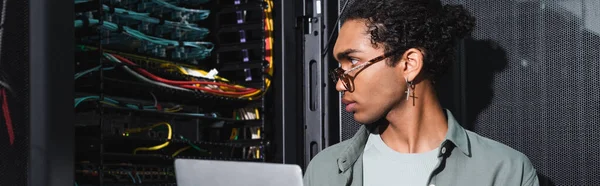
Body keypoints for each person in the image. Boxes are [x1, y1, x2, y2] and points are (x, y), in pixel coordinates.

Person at [303, 0, 539, 186]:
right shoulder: (324, 170)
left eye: (353, 62)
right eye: (339, 70)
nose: (340, 85)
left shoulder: (505, 171)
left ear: (409, 64)